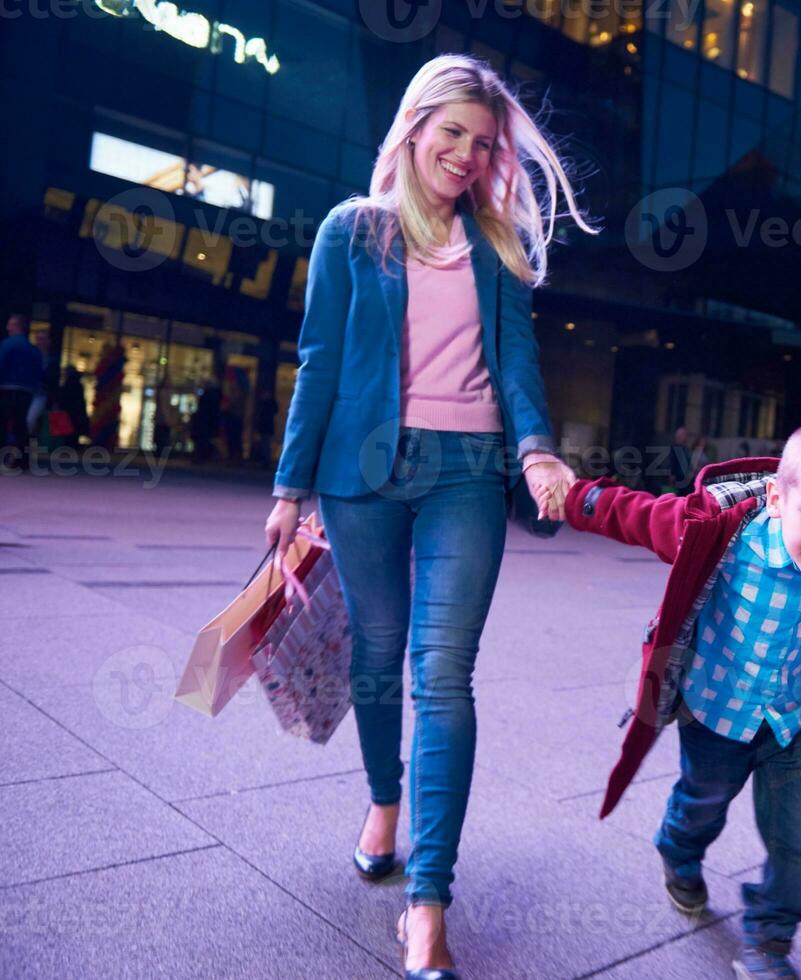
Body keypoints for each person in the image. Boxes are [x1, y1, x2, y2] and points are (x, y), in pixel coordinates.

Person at [263, 54, 593, 979]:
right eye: (451, 132)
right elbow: (319, 362)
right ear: (413, 128)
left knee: (442, 676)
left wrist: (534, 450)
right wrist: (289, 492)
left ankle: (428, 902)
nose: (464, 154)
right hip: (359, 476)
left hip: (463, 476)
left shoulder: (496, 246)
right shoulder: (351, 232)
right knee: (376, 654)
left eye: (482, 144)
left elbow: (519, 363)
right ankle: (382, 801)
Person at [566, 418, 801, 980]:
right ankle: (679, 852)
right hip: (715, 715)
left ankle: (769, 937)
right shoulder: (721, 533)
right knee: (702, 804)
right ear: (776, 497)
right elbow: (636, 515)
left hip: (793, 724)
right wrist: (571, 495)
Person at [0, 314, 43, 466]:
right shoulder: (33, 350)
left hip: (7, 387)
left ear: (17, 326)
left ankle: (4, 455)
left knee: (3, 421)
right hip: (27, 390)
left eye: (10, 325)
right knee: (20, 423)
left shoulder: (7, 344)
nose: (7, 328)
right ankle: (23, 459)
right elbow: (39, 372)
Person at [57, 366, 89, 450]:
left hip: (69, 410)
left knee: (69, 430)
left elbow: (63, 397)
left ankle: (69, 444)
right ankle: (72, 444)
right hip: (76, 410)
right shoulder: (77, 384)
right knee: (74, 429)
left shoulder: (67, 383)